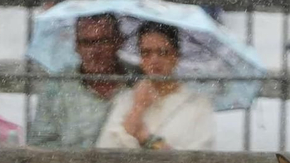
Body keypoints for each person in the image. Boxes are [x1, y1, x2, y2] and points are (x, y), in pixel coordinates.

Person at [96, 23, 215, 151]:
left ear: (176, 56)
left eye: (162, 52)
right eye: (146, 53)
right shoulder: (126, 99)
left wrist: (147, 139)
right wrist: (138, 109)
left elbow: (199, 162)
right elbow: (105, 150)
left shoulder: (198, 104)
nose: (154, 60)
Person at [30, 14, 131, 149]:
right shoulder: (58, 85)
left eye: (103, 41)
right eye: (87, 42)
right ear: (77, 46)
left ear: (119, 42)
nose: (95, 51)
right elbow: (40, 143)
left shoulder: (139, 80)